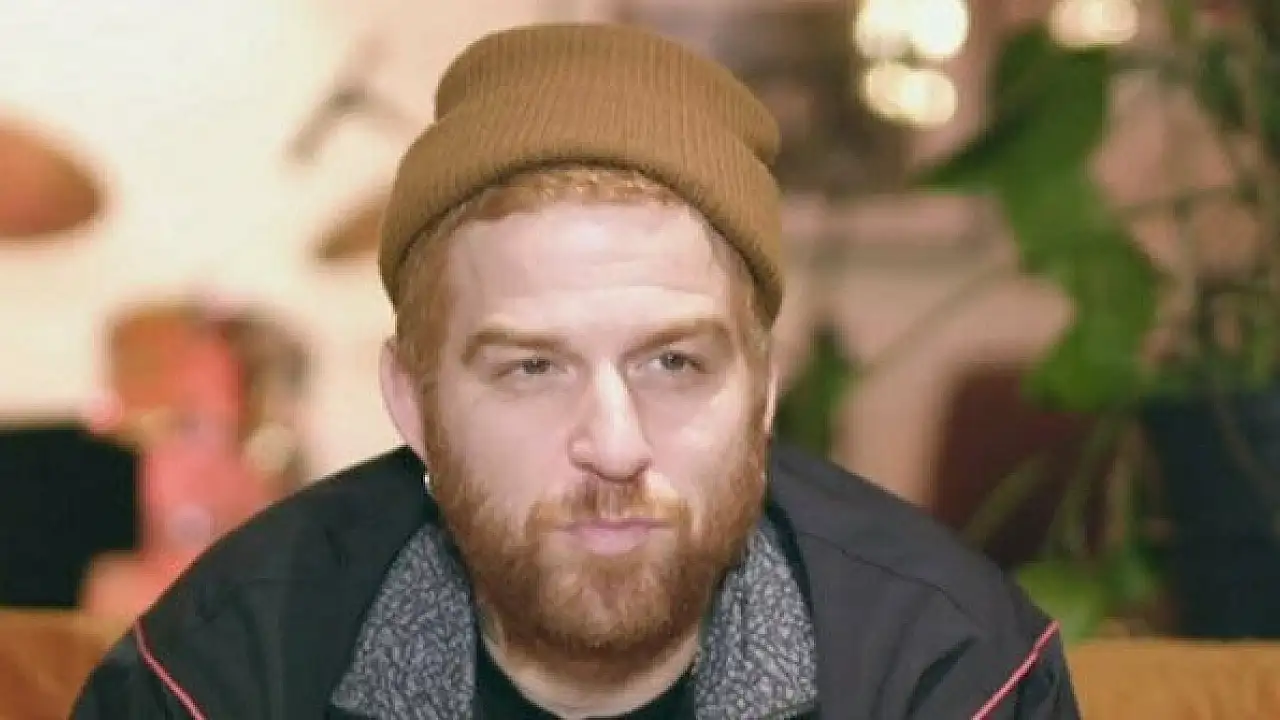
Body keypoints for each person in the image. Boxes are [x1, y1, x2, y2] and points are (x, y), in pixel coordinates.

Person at [72, 22, 1079, 719]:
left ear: (763, 390)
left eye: (674, 362)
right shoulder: (225, 674)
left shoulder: (944, 674)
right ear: (413, 404)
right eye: (532, 369)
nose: (614, 443)